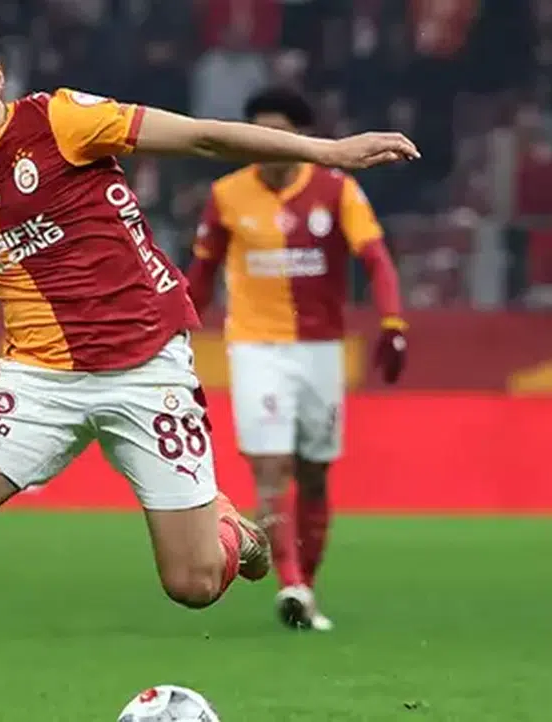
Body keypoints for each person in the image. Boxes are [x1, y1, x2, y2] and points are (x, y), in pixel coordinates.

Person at [0, 10, 418, 722]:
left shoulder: (63, 120)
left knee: (192, 584)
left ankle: (230, 533)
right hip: (37, 380)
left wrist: (329, 152)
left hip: (147, 370)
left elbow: (201, 136)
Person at [184, 87, 407, 631]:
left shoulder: (336, 190)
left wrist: (393, 323)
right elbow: (202, 277)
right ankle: (288, 582)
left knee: (312, 474)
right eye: (259, 132)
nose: (268, 143)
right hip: (255, 347)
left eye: (279, 132)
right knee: (270, 468)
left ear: (301, 136)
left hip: (320, 351)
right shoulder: (227, 194)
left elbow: (376, 259)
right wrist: (176, 334)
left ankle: (305, 584)